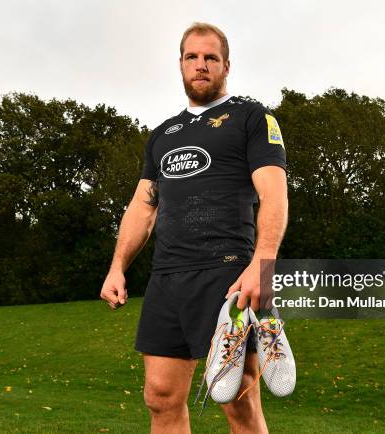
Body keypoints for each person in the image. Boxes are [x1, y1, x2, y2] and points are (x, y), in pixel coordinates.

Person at [100, 22, 288, 434]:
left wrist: (263, 264)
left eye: (210, 58)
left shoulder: (251, 118)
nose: (200, 65)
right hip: (167, 277)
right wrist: (117, 267)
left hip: (226, 271)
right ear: (180, 64)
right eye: (192, 57)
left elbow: (274, 194)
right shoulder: (162, 136)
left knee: (237, 402)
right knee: (160, 397)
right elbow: (141, 208)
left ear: (225, 66)